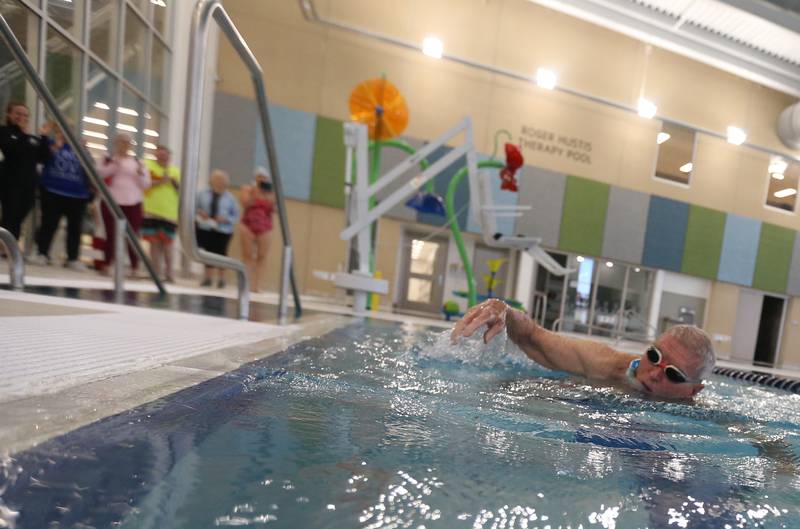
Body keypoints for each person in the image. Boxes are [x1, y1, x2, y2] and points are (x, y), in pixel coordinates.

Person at [451, 299, 715, 399]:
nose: (655, 373)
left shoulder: (697, 417)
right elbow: (534, 337)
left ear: (693, 389)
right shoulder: (607, 364)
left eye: (673, 373)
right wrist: (504, 311)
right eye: (654, 356)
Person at [30, 124, 94, 270]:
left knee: (74, 228)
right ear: (57, 132)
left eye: (70, 131)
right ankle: (42, 253)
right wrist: (55, 146)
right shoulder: (51, 144)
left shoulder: (80, 149)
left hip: (77, 194)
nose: (66, 134)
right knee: (49, 224)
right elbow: (42, 158)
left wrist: (85, 150)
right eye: (62, 131)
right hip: (53, 191)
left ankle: (72, 257)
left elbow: (90, 169)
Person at [96, 133, 151, 276]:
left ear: (131, 145)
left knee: (132, 236)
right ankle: (107, 264)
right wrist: (115, 164)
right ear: (115, 143)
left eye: (127, 142)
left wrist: (140, 174)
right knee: (110, 234)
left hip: (133, 203)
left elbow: (146, 184)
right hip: (111, 202)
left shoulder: (138, 162)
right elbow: (99, 173)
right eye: (121, 142)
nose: (124, 145)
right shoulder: (108, 159)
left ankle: (135, 267)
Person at [0, 102, 51, 240]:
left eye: (25, 115)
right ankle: (5, 247)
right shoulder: (5, 131)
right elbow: (11, 149)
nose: (21, 117)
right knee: (10, 215)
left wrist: (44, 137)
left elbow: (44, 157)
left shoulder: (32, 138)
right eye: (18, 113)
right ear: (9, 114)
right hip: (10, 182)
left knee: (19, 217)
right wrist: (21, 133)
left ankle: (9, 246)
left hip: (29, 184)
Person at [142, 144, 180, 282]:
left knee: (168, 244)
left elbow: (181, 191)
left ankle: (169, 274)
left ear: (169, 157)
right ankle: (155, 272)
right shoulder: (148, 165)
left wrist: (174, 182)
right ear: (156, 155)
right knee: (154, 243)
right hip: (151, 211)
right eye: (160, 155)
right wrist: (160, 181)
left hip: (169, 214)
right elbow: (144, 183)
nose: (163, 158)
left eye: (166, 156)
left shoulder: (175, 171)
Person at [196, 169, 239, 288]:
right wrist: (200, 212)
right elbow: (195, 207)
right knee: (208, 252)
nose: (220, 182)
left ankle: (222, 279)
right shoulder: (203, 193)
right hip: (206, 227)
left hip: (223, 230)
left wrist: (225, 219)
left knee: (221, 253)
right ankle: (208, 278)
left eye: (222, 180)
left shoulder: (230, 198)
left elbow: (235, 216)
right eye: (217, 179)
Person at [239, 167, 274, 293]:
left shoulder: (270, 192)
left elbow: (273, 209)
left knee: (262, 256)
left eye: (264, 178)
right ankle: (245, 283)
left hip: (265, 226)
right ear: (255, 178)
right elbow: (245, 203)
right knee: (247, 255)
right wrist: (255, 192)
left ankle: (256, 285)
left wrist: (267, 195)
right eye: (259, 177)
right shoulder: (248, 189)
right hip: (248, 224)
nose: (262, 180)